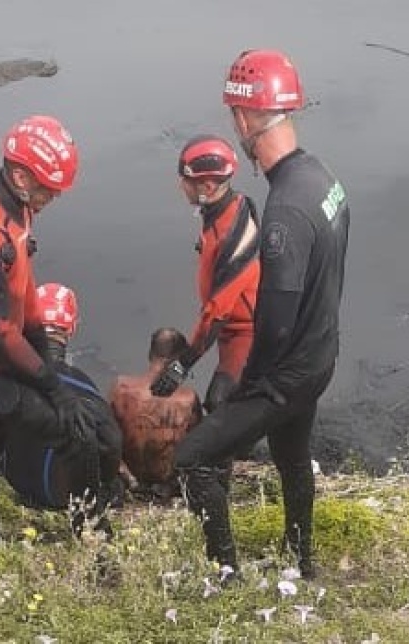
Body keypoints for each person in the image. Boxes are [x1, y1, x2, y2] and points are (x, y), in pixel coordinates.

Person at [174, 49, 351, 579]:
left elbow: (272, 324)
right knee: (293, 456)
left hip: (287, 372)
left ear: (244, 119)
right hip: (321, 356)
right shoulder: (323, 179)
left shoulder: (283, 214)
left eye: (235, 116)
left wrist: (248, 390)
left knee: (195, 459)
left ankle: (225, 577)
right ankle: (302, 561)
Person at [0, 114, 97, 549]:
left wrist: (46, 359)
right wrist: (53, 387)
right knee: (72, 434)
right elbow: (1, 334)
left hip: (2, 350)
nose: (52, 198)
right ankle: (91, 539)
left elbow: (24, 293)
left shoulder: (16, 207)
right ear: (22, 175)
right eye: (49, 189)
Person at [0, 283, 123, 536]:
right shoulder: (82, 385)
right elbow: (112, 442)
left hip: (19, 484)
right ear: (72, 328)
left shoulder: (7, 377)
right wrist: (109, 483)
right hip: (62, 495)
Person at [150, 136, 260, 413]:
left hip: (246, 331)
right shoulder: (222, 210)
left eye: (186, 180)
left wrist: (182, 364)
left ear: (208, 187)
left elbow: (216, 314)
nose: (180, 185)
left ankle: (236, 453)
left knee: (219, 403)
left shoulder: (233, 238)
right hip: (230, 325)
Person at [110, 328, 202, 496]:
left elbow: (105, 441)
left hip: (129, 484)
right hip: (168, 488)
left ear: (150, 354)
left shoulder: (120, 389)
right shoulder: (188, 399)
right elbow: (200, 449)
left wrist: (130, 480)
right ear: (179, 360)